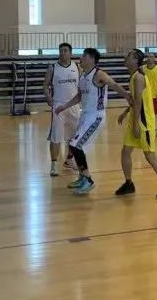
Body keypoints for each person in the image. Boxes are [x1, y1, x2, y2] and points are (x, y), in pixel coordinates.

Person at [55, 47, 132, 195]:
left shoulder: (99, 74)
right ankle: (82, 177)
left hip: (96, 116)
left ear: (91, 59)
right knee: (74, 145)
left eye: (84, 56)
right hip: (85, 115)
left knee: (75, 145)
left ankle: (88, 179)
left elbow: (114, 85)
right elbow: (79, 96)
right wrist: (65, 106)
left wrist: (127, 96)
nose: (81, 58)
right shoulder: (83, 76)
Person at [115, 49, 157, 199]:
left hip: (144, 122)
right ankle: (128, 183)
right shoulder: (134, 75)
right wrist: (125, 112)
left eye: (129, 55)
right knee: (125, 152)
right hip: (135, 119)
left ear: (135, 60)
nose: (126, 57)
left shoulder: (139, 78)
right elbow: (134, 100)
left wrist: (136, 124)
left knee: (150, 156)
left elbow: (139, 103)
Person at [43, 42, 80, 177]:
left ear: (70, 53)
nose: (63, 53)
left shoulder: (77, 66)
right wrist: (48, 96)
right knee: (56, 137)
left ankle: (69, 159)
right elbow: (45, 85)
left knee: (75, 136)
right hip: (58, 106)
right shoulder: (53, 68)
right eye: (61, 51)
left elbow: (81, 85)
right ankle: (53, 164)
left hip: (74, 106)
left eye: (65, 51)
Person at [143, 53, 157, 131]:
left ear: (154, 59)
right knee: (146, 112)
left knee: (155, 112)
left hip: (155, 94)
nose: (149, 58)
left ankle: (155, 129)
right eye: (148, 57)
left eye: (151, 57)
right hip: (145, 95)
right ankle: (147, 129)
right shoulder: (142, 68)